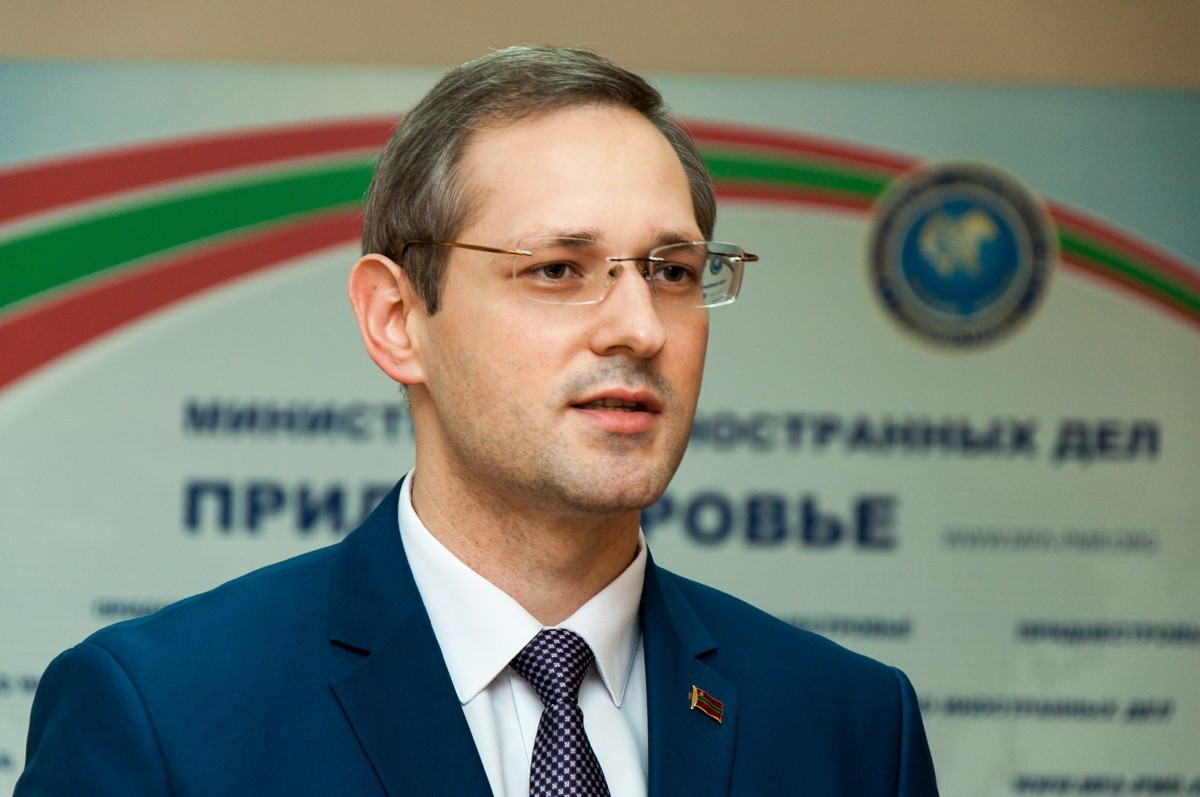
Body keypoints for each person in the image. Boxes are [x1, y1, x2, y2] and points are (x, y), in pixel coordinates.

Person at [16, 46, 938, 796]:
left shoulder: (852, 727)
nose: (640, 327)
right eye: (558, 270)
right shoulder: (162, 714)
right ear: (396, 320)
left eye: (673, 271)